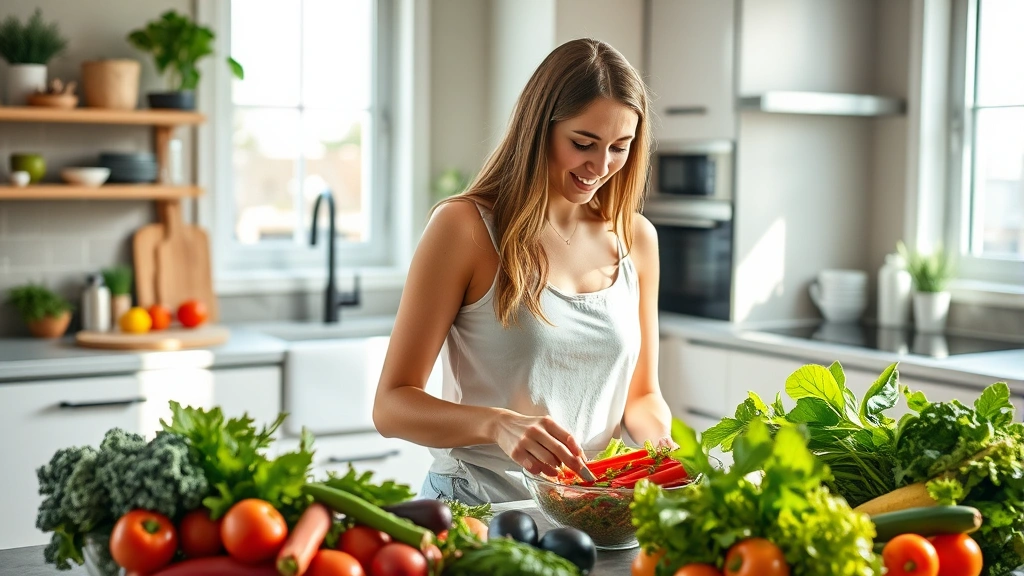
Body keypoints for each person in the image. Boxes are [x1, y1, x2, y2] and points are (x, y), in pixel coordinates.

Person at [372, 38, 671, 504]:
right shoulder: (465, 228)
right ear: (540, 129)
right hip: (476, 501)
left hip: (591, 508)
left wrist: (660, 449)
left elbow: (642, 395)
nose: (600, 166)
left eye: (620, 147)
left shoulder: (636, 240)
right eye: (583, 143)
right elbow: (391, 405)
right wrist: (496, 423)